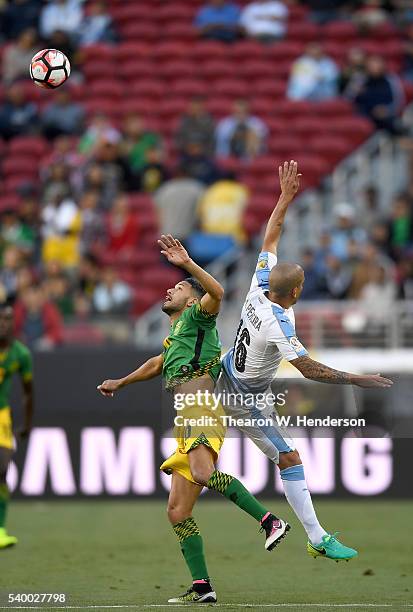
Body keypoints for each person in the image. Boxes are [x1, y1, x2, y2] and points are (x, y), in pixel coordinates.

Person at [216, 160, 393, 562]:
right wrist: (356, 378)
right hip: (242, 397)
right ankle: (316, 537)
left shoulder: (260, 285)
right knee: (289, 457)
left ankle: (308, 533)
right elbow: (308, 369)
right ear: (296, 290)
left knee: (236, 459)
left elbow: (270, 237)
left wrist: (284, 198)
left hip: (229, 370)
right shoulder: (278, 323)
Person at [97, 235, 289, 604]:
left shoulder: (199, 318)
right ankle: (203, 586)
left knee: (202, 474)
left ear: (191, 299)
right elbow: (157, 364)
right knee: (177, 510)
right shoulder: (175, 336)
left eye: (179, 287)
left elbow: (217, 292)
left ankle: (270, 521)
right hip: (186, 414)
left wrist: (187, 264)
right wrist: (122, 381)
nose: (170, 289)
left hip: (202, 406)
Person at [0, 304, 33, 549]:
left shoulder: (20, 354)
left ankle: (0, 529)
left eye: (8, 318)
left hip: (2, 417)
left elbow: (28, 393)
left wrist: (27, 424)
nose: (3, 323)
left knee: (1, 471)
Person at [350, 55, 405, 134]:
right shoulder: (360, 79)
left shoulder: (391, 79)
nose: (373, 67)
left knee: (391, 123)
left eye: (376, 64)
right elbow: (348, 100)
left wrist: (387, 110)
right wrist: (355, 92)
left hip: (386, 115)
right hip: (364, 115)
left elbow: (398, 100)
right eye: (371, 65)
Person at [154, 167, 205, 242]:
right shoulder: (197, 188)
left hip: (166, 236)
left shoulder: (164, 189)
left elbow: (156, 213)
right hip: (189, 236)